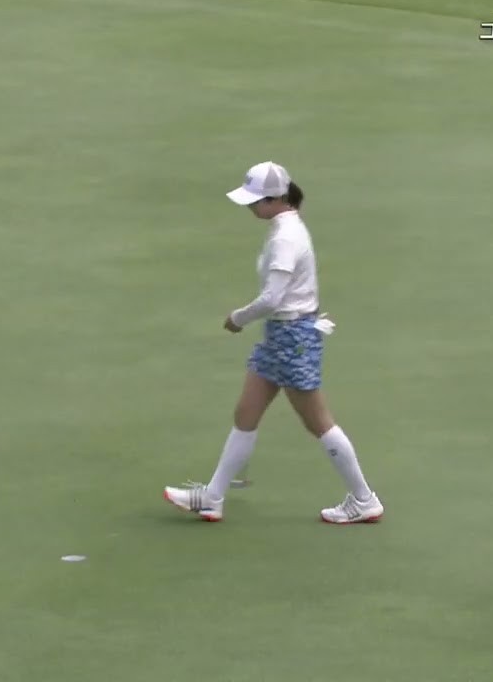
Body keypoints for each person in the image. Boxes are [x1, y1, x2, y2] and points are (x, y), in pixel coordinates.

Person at [163, 161, 384, 524]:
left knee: (319, 422)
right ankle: (213, 497)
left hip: (292, 338)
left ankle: (364, 499)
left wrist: (237, 319)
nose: (251, 207)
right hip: (282, 336)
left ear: (275, 199)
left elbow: (272, 298)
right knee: (246, 413)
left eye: (256, 201)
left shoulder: (285, 238)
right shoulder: (285, 227)